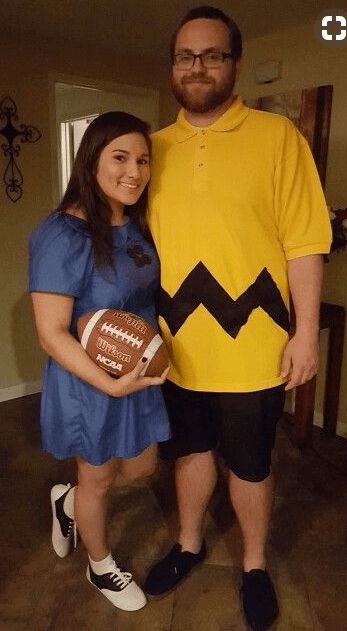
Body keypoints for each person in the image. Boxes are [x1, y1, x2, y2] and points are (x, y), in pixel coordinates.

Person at [144, 6, 332, 631]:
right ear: (173, 66)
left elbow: (305, 241)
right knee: (190, 452)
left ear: (236, 65)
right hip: (175, 345)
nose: (197, 66)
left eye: (212, 55)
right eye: (185, 56)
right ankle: (190, 542)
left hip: (254, 342)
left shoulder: (280, 139)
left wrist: (305, 332)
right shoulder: (151, 151)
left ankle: (253, 564)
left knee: (252, 464)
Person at [29, 111, 170, 611]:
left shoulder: (135, 224)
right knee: (99, 479)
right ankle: (100, 566)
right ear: (91, 160)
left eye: (143, 160)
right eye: (120, 157)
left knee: (142, 467)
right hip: (90, 381)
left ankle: (66, 501)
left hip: (135, 374)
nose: (135, 171)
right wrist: (108, 384)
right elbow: (51, 333)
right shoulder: (62, 235)